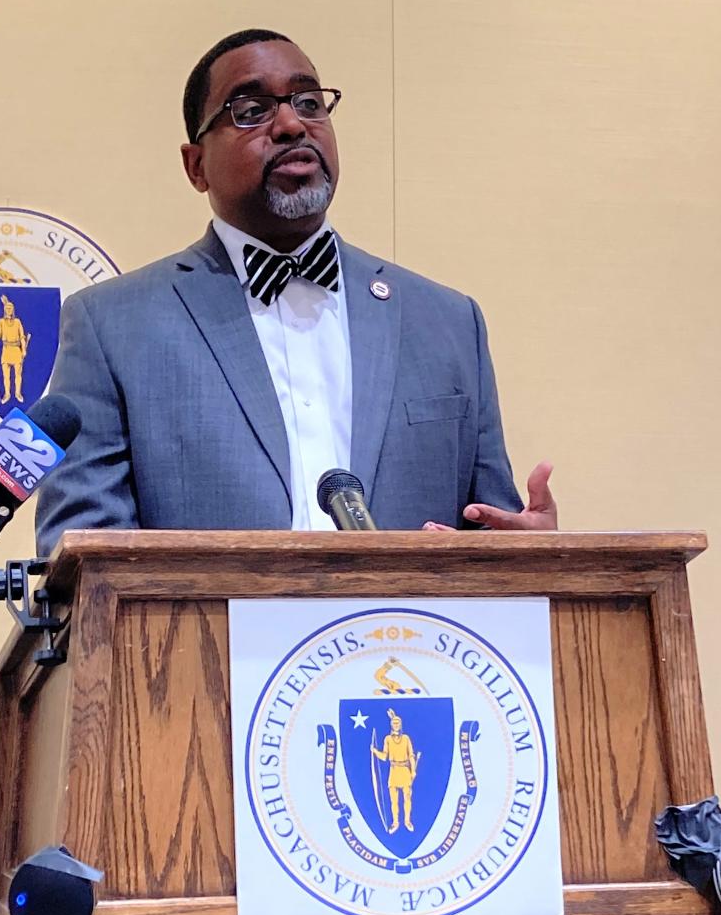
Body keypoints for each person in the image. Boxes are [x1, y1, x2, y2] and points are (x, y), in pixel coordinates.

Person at [35, 28, 556, 555]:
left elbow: (491, 532)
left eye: (309, 102)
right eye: (251, 110)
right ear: (196, 167)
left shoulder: (447, 321)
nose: (290, 124)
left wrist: (534, 556)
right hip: (210, 639)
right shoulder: (113, 327)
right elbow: (82, 556)